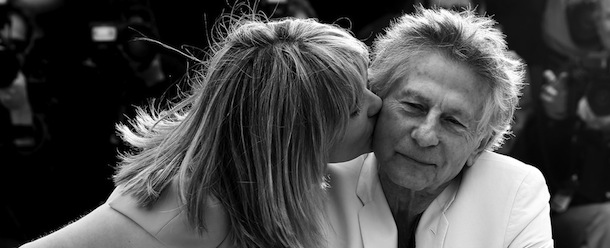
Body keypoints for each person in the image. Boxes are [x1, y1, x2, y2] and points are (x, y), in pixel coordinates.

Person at [19, 11, 382, 248]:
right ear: (296, 135)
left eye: (368, 84)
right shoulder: (186, 204)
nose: (377, 103)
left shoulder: (274, 184)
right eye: (353, 108)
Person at [323, 6, 553, 248]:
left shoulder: (514, 193)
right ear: (377, 98)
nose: (424, 136)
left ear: (480, 145)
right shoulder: (322, 176)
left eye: (453, 121)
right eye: (413, 106)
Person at [536, 0, 610, 247]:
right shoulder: (575, 78)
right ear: (597, 26)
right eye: (609, 17)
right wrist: (557, 119)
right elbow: (545, 173)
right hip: (574, 212)